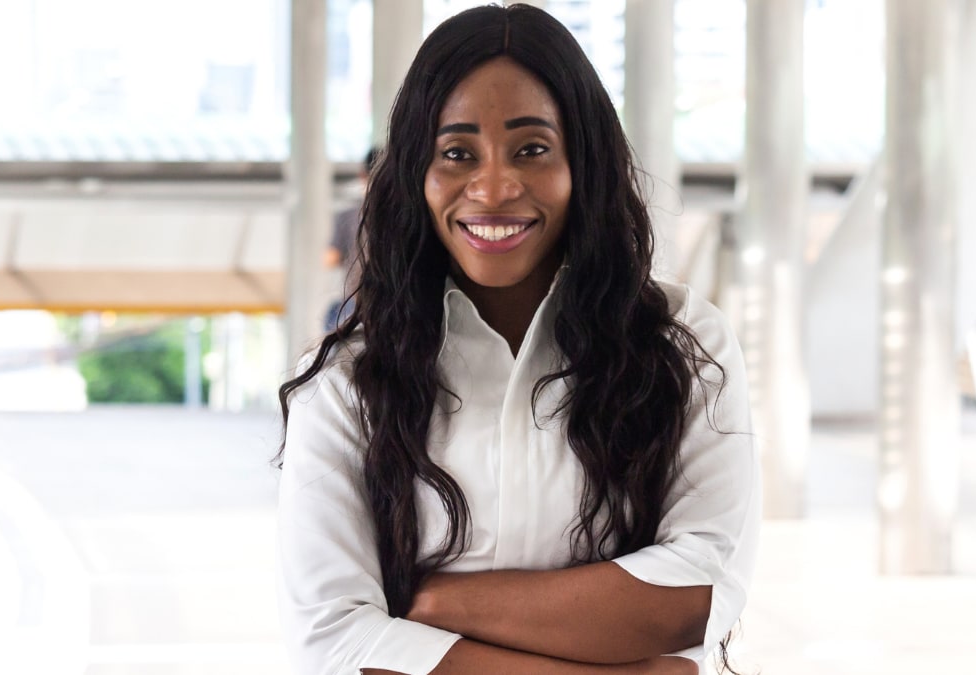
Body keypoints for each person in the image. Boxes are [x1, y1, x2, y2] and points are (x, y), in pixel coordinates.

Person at [277, 5, 759, 675]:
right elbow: (332, 645)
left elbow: (699, 592)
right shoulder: (344, 385)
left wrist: (435, 602)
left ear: (582, 163)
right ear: (417, 171)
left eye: (532, 149)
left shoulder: (680, 344)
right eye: (457, 153)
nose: (495, 186)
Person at [323, 147, 378, 332]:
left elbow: (330, 259)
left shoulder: (348, 215)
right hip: (391, 303)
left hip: (354, 303)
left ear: (363, 175)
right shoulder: (403, 217)